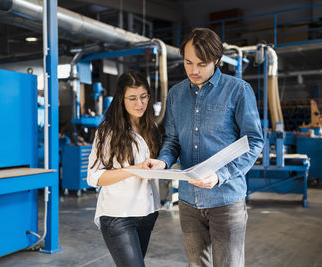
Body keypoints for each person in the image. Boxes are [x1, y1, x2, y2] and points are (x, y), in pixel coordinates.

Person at [143, 28, 264, 267]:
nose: (194, 70)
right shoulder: (176, 94)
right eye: (188, 62)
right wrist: (163, 161)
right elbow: (173, 140)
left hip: (226, 200)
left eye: (202, 63)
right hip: (189, 202)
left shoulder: (238, 90)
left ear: (217, 60)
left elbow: (254, 142)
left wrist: (220, 175)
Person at [87, 71, 162, 267]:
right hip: (118, 215)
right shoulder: (107, 132)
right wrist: (134, 169)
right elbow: (94, 177)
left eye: (144, 96)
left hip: (148, 213)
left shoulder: (151, 127)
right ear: (121, 99)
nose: (140, 104)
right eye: (132, 98)